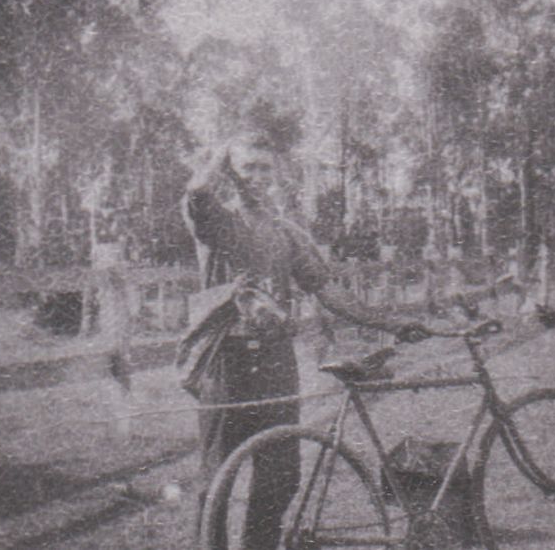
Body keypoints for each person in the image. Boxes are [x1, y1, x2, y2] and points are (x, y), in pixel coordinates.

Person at [180, 133, 428, 550]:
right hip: (227, 363)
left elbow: (326, 289)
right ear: (230, 174)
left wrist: (390, 323)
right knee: (217, 478)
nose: (257, 178)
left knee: (282, 474)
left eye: (265, 169)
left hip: (277, 361)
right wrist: (220, 156)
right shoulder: (220, 222)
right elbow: (198, 192)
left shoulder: (284, 233)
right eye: (248, 169)